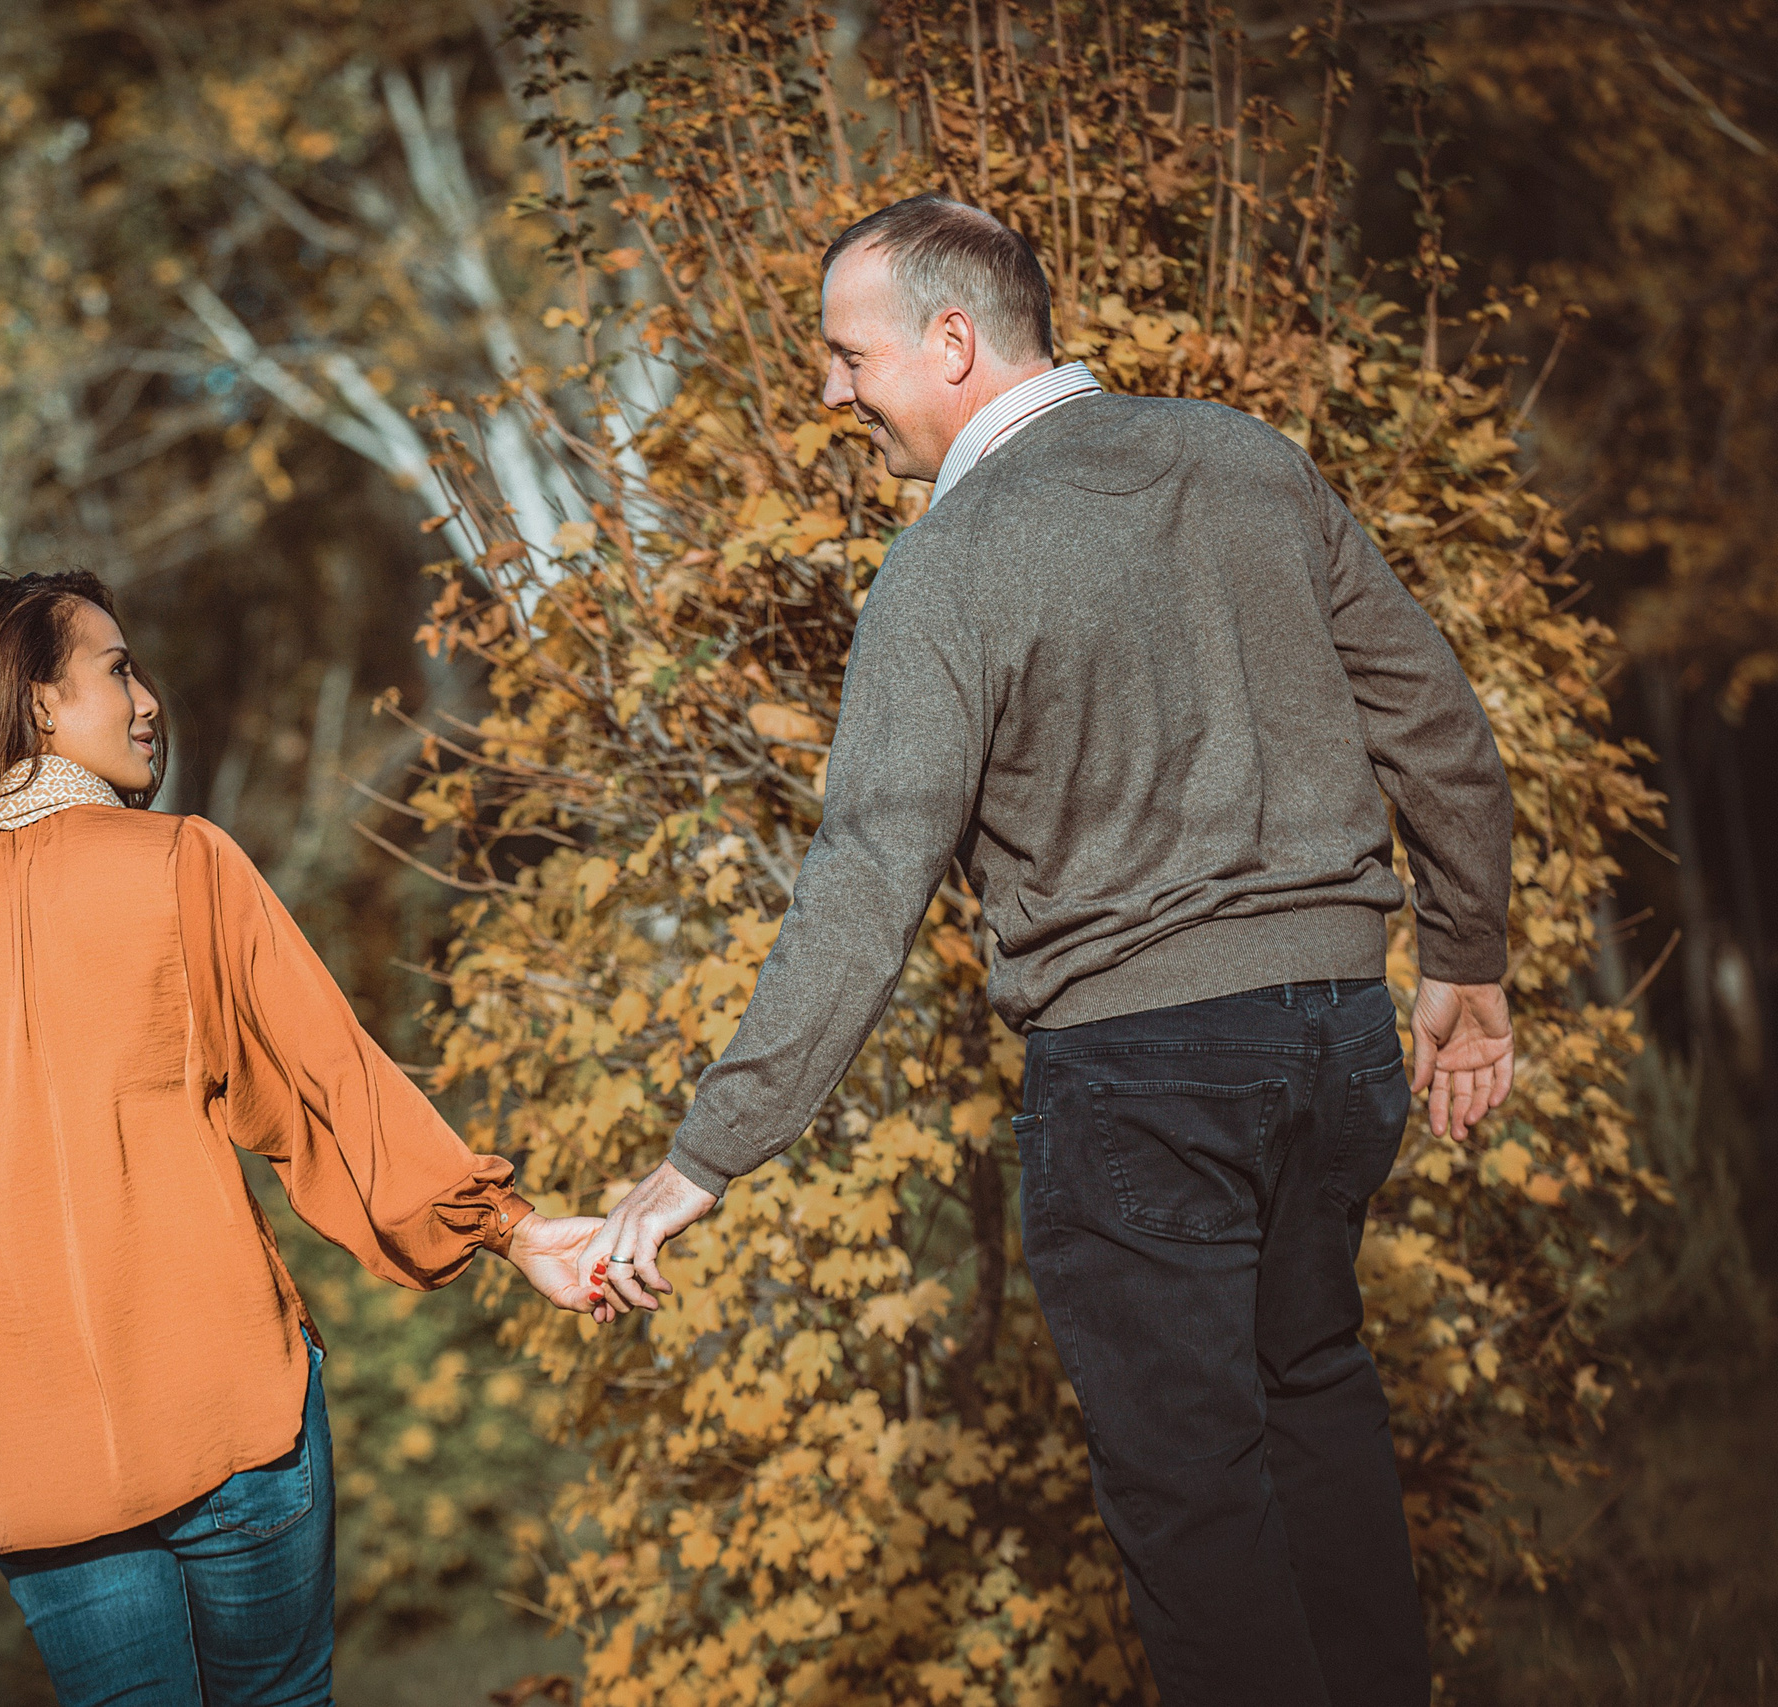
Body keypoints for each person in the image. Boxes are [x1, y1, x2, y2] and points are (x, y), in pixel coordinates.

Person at [579, 197, 1517, 1706]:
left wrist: (707, 1151)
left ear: (951, 340)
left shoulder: (951, 564)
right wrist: (1468, 953)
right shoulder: (1244, 457)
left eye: (846, 352)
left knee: (1197, 1501)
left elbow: (866, 878)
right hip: (1339, 1037)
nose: (831, 391)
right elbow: (1436, 720)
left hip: (1143, 1072)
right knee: (1317, 1406)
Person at [0, 570, 609, 1707]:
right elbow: (326, 1088)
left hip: (45, 1460)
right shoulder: (177, 863)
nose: (148, 698)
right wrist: (505, 1230)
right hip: (232, 1416)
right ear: (39, 705)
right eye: (118, 670)